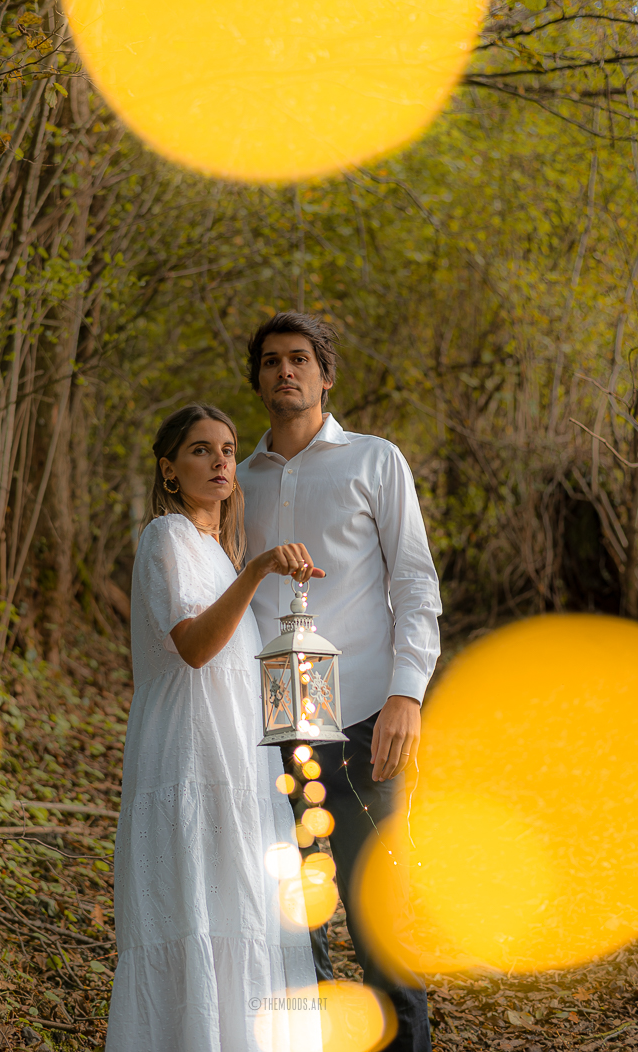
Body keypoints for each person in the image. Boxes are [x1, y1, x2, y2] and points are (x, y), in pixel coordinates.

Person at [236, 313, 442, 1052]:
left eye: (299, 360)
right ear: (256, 379)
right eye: (270, 362)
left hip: (361, 720)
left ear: (326, 374)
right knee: (295, 928)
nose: (284, 372)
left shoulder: (374, 461)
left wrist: (406, 695)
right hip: (266, 729)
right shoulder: (237, 477)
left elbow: (415, 584)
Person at [106, 402, 324, 1052]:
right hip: (188, 761)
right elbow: (195, 646)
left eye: (227, 449)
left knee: (243, 916)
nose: (221, 460)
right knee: (195, 912)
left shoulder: (217, 557)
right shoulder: (166, 538)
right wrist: (259, 569)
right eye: (201, 450)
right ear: (170, 470)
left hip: (239, 765)